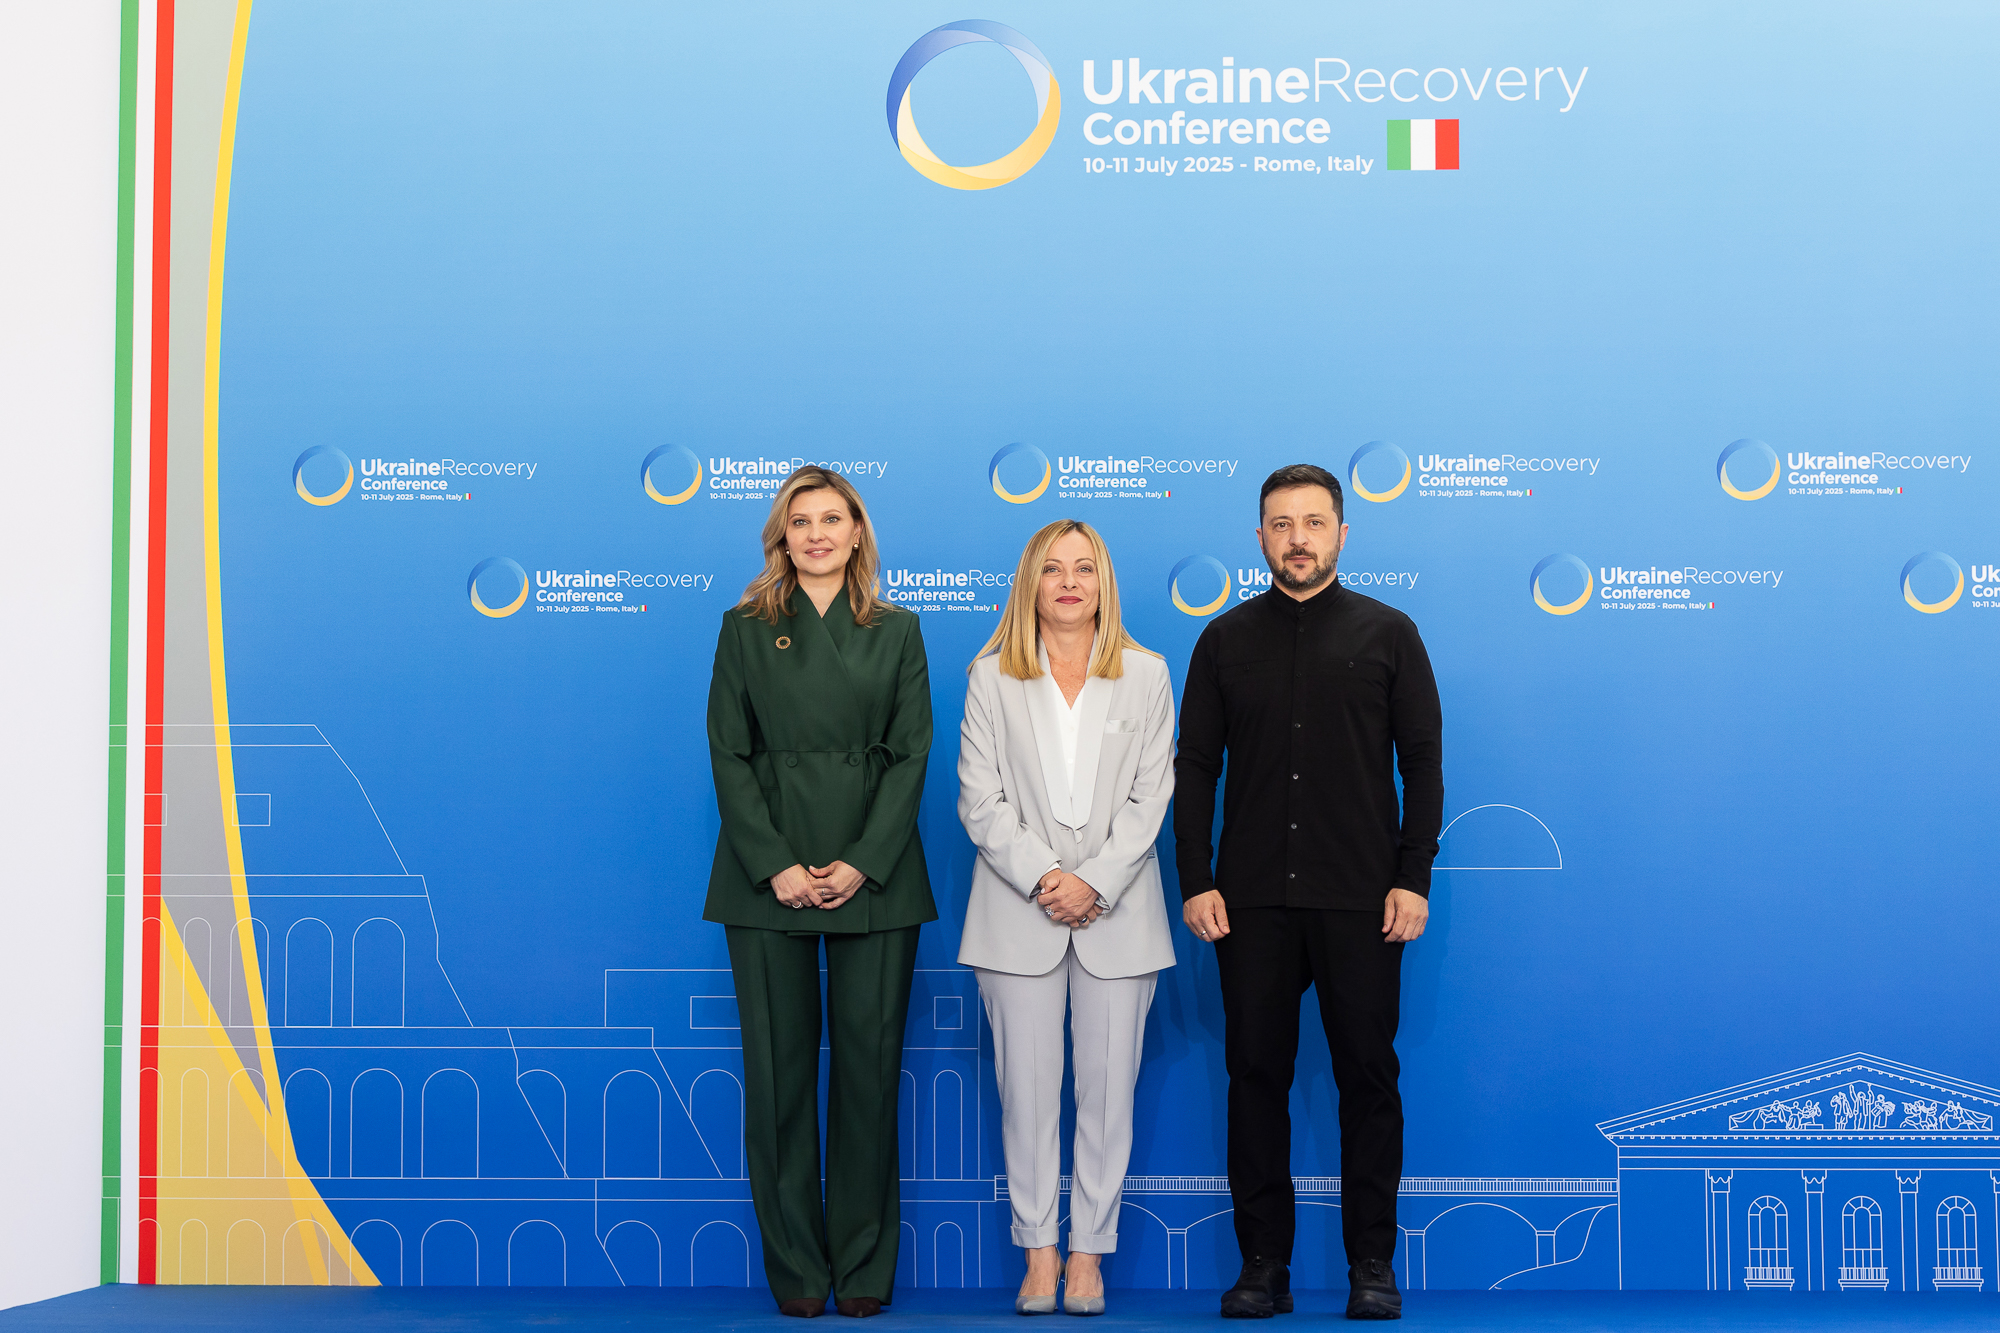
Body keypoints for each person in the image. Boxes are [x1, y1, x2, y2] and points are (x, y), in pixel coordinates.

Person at [1173, 464, 1443, 1321]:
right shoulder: (1223, 640)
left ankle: (1372, 1263)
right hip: (1249, 899)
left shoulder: (1390, 633)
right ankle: (1264, 1265)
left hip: (1363, 898)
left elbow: (1422, 764)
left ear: (1341, 534)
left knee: (1369, 1078)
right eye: (1282, 524)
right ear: (1260, 537)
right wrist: (1195, 878)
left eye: (1314, 522)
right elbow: (1195, 767)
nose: (1298, 538)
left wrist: (1412, 876)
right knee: (1255, 1077)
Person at [704, 466, 934, 1319]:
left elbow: (912, 752)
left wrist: (864, 860)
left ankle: (865, 1264)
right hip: (767, 873)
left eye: (831, 519)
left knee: (870, 1077)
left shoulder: (898, 629)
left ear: (857, 531)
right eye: (800, 522)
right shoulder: (744, 628)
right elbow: (727, 750)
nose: (816, 535)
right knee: (777, 1079)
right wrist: (776, 863)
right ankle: (798, 1266)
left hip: (876, 872)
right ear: (782, 536)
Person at [958, 520, 1177, 1317]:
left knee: (1108, 1097)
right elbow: (979, 798)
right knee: (1026, 1097)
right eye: (1053, 569)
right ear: (1032, 583)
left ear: (1103, 583)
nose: (1070, 582)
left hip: (1120, 918)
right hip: (1017, 914)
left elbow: (1152, 795)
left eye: (1085, 568)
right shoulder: (991, 677)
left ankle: (1089, 1254)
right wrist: (1050, 879)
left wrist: (1095, 883)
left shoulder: (1148, 674)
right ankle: (1039, 1252)